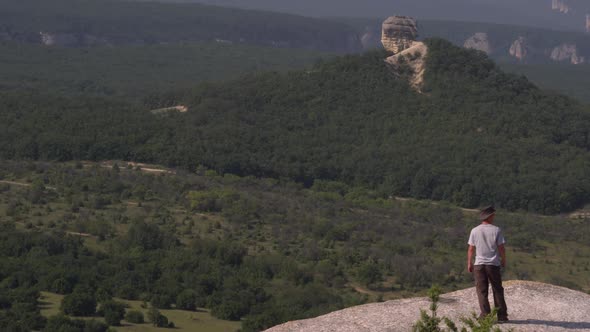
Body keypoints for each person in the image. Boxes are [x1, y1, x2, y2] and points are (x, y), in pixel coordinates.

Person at [467, 205, 508, 322]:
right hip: (493, 264)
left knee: (481, 290)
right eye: (493, 215)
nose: (494, 217)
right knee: (497, 289)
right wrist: (504, 260)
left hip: (479, 264)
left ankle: (485, 316)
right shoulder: (496, 230)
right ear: (490, 216)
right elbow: (501, 248)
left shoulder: (474, 230)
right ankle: (502, 316)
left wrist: (469, 263)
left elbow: (471, 248)